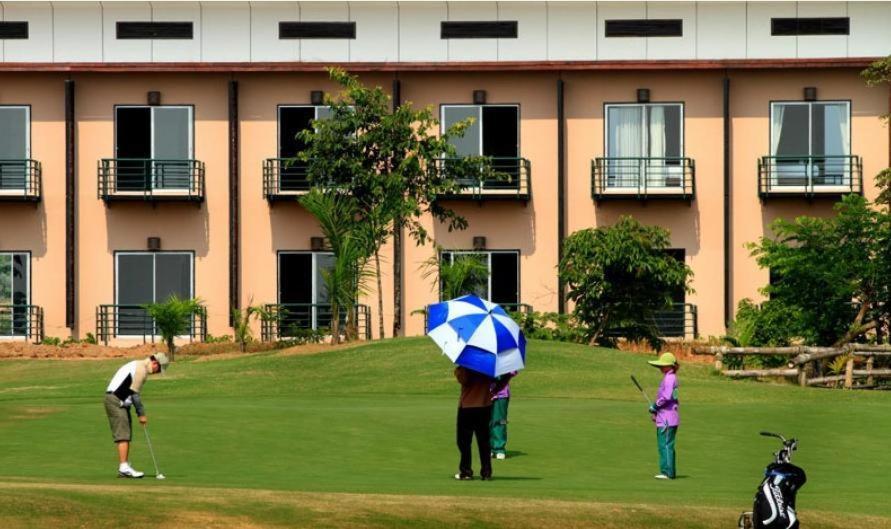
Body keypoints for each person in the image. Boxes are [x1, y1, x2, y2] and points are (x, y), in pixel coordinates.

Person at [104, 353, 169, 478]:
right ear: (155, 363)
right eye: (159, 369)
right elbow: (134, 394)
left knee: (125, 434)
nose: (157, 372)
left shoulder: (139, 365)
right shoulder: (141, 370)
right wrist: (141, 414)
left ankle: (124, 466)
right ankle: (123, 467)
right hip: (115, 400)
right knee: (123, 435)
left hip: (119, 401)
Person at [454, 366, 508, 481]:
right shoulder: (488, 366)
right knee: (484, 442)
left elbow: (463, 380)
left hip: (467, 407)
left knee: (463, 441)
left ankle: (466, 471)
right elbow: (501, 379)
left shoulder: (466, 366)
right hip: (484, 406)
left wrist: (458, 369)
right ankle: (486, 473)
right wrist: (495, 389)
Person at [648, 352, 680, 480]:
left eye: (663, 365)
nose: (660, 367)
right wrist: (656, 412)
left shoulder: (670, 378)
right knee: (664, 445)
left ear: (669, 366)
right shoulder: (669, 377)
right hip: (665, 417)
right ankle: (667, 471)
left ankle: (668, 472)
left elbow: (666, 397)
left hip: (667, 419)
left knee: (666, 444)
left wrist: (655, 406)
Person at [490, 371, 517, 460]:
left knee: (500, 421)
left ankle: (499, 449)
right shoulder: (485, 357)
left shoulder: (506, 358)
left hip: (501, 394)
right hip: (484, 394)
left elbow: (513, 372)